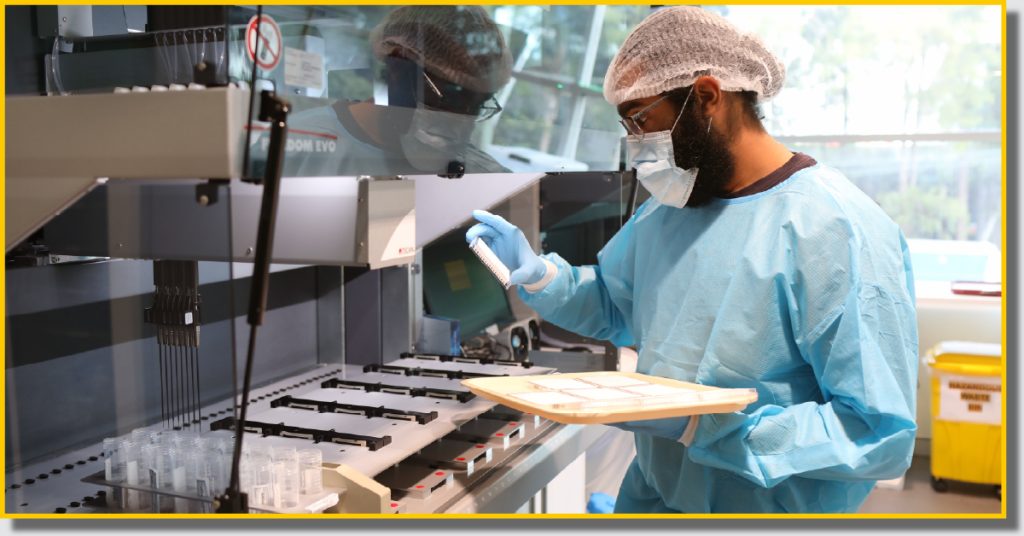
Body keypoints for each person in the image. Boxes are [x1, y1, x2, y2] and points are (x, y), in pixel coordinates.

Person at [467, 6, 918, 513]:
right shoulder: (670, 210)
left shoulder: (837, 230)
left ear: (707, 96)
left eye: (642, 120)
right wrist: (543, 275)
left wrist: (705, 428)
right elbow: (620, 304)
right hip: (657, 495)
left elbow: (877, 434)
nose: (637, 145)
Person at [274, 5, 512, 177]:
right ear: (399, 65)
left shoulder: (482, 176)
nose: (461, 122)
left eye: (477, 105)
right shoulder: (296, 146)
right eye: (451, 97)